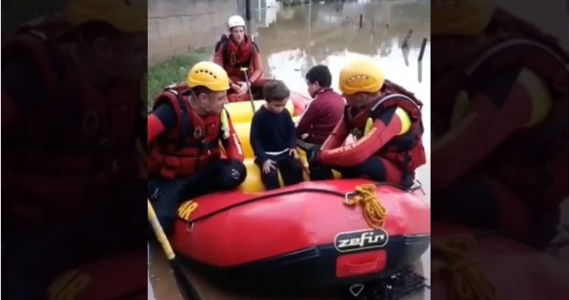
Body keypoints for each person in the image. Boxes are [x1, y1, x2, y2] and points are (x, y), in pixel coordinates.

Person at [1, 0, 147, 298]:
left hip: (100, 205)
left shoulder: (122, 80)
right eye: (138, 51)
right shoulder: (27, 79)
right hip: (39, 224)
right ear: (104, 50)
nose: (145, 60)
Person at [431, 0, 568, 245]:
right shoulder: (463, 69)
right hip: (478, 177)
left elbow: (442, 170)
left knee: (445, 194)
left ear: (454, 40)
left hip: (521, 209)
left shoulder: (519, 83)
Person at [147, 61, 247, 234]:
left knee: (238, 173)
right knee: (162, 224)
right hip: (171, 180)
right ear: (203, 98)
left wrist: (236, 165)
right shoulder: (169, 112)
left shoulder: (220, 113)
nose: (225, 102)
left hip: (201, 172)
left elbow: (233, 146)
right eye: (220, 98)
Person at [306, 59, 426, 188]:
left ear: (362, 95)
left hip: (396, 171)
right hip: (373, 157)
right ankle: (322, 190)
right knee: (316, 154)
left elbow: (359, 153)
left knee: (358, 164)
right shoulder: (355, 108)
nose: (343, 95)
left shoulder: (394, 114)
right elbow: (337, 135)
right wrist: (319, 155)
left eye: (346, 93)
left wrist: (322, 157)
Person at [250, 80, 304, 191]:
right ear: (266, 100)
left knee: (296, 167)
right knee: (270, 174)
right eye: (276, 105)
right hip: (267, 154)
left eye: (283, 105)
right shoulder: (259, 116)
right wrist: (263, 158)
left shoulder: (285, 113)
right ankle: (275, 199)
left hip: (285, 152)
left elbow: (291, 130)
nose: (280, 108)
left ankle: (297, 194)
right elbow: (254, 139)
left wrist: (292, 146)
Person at [296, 65, 345, 180]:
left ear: (316, 84)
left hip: (320, 145)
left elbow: (300, 128)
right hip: (338, 142)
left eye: (308, 84)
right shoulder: (339, 98)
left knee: (291, 137)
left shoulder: (317, 102)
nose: (307, 89)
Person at [213, 15, 268, 103]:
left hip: (248, 80)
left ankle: (254, 98)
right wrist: (232, 85)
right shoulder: (223, 47)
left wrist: (248, 84)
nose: (239, 35)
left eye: (241, 31)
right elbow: (218, 70)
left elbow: (258, 69)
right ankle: (231, 99)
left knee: (270, 84)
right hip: (229, 81)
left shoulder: (252, 46)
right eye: (236, 32)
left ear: (244, 31)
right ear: (231, 32)